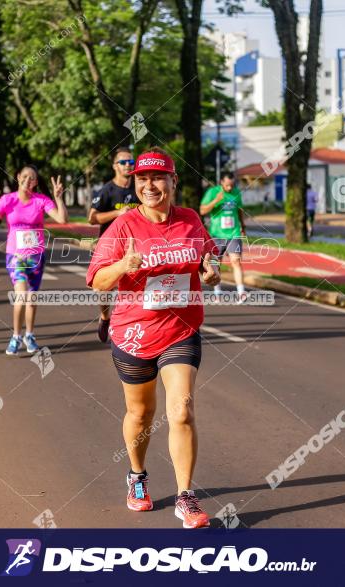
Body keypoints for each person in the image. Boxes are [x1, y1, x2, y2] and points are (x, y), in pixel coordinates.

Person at [86, 148, 220, 529]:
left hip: (180, 329)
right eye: (142, 179)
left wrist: (212, 272)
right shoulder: (124, 227)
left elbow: (208, 259)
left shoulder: (191, 220)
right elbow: (97, 281)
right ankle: (137, 475)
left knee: (181, 411)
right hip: (132, 333)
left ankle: (186, 496)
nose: (150, 185)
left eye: (158, 178)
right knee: (141, 413)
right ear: (135, 185)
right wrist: (123, 265)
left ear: (173, 182)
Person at [0, 166, 67, 355]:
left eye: (32, 178)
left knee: (32, 298)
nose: (28, 180)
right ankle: (16, 336)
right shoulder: (7, 200)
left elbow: (62, 219)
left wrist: (58, 197)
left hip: (36, 256)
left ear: (35, 182)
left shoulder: (41, 200)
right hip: (15, 256)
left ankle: (29, 335)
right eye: (24, 176)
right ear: (18, 177)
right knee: (21, 296)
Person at [88, 148, 139, 342]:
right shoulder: (107, 190)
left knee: (136, 286)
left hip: (134, 246)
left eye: (131, 162)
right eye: (123, 162)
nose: (128, 165)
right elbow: (92, 218)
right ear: (114, 166)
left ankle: (131, 325)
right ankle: (105, 317)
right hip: (109, 246)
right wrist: (118, 214)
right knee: (103, 290)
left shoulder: (139, 188)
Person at [199, 172, 246, 304]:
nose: (230, 188)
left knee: (236, 261)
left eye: (231, 185)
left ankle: (241, 293)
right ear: (221, 182)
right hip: (217, 234)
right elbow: (202, 210)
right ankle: (218, 293)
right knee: (216, 263)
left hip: (234, 233)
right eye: (227, 185)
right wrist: (216, 201)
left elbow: (240, 210)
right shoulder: (213, 192)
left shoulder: (237, 192)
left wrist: (243, 226)